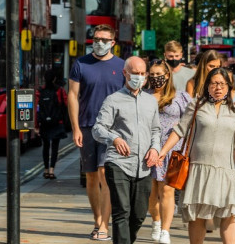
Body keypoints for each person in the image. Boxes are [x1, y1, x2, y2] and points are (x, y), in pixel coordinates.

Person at [158, 67, 235, 244]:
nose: (218, 88)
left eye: (222, 84)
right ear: (207, 85)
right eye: (214, 83)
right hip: (198, 169)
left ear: (229, 87)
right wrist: (163, 152)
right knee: (198, 215)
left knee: (230, 214)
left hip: (225, 171)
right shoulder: (196, 105)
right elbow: (179, 130)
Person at [93, 56, 160, 244]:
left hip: (144, 166)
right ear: (125, 73)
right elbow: (98, 129)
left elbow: (156, 130)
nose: (138, 77)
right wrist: (114, 138)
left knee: (138, 214)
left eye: (142, 74)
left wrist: (155, 148)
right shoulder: (113, 100)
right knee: (122, 211)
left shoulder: (150, 101)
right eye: (134, 73)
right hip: (119, 163)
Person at [68, 24, 126, 241]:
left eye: (104, 39)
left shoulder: (122, 66)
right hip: (87, 126)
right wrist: (75, 128)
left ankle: (104, 225)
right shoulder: (80, 64)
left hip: (113, 129)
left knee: (104, 174)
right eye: (96, 38)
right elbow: (73, 95)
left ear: (113, 42)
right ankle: (97, 219)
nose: (99, 42)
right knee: (91, 177)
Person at [146, 60, 190, 244]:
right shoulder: (144, 96)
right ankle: (156, 222)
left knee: (167, 190)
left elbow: (188, 122)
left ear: (167, 75)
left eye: (159, 74)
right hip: (149, 149)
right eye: (152, 74)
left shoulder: (180, 97)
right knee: (151, 190)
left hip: (172, 149)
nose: (156, 78)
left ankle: (165, 230)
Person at [39, 68, 68, 180]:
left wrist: (37, 125)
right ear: (55, 79)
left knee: (45, 147)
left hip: (44, 123)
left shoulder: (40, 91)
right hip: (57, 122)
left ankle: (45, 170)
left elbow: (37, 108)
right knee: (55, 147)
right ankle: (52, 170)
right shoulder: (60, 91)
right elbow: (65, 104)